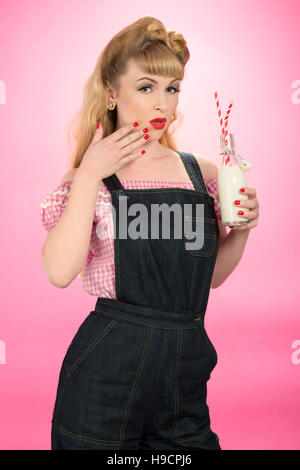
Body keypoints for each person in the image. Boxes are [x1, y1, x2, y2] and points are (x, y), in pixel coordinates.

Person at [40, 16, 259, 450]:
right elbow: (59, 271)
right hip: (104, 378)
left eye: (172, 88)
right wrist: (89, 176)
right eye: (146, 88)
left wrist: (243, 230)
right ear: (111, 91)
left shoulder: (203, 177)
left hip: (183, 379)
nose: (163, 104)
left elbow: (209, 277)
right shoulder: (91, 180)